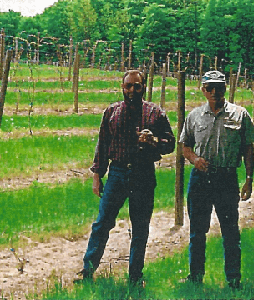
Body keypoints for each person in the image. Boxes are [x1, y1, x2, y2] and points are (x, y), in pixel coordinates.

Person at [77, 70, 175, 286]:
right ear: (122, 88)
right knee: (102, 223)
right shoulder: (111, 112)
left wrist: (154, 140)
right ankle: (88, 271)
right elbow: (102, 146)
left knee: (140, 227)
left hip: (143, 174)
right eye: (128, 86)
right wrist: (97, 176)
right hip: (117, 173)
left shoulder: (155, 113)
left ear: (144, 87)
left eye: (137, 86)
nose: (132, 90)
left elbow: (170, 143)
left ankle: (135, 277)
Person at [179, 70, 254, 288]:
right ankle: (195, 277)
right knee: (197, 231)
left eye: (219, 87)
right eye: (210, 87)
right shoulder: (194, 116)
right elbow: (185, 146)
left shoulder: (240, 114)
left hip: (226, 179)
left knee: (230, 230)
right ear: (203, 90)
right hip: (200, 179)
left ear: (226, 88)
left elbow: (248, 149)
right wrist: (195, 159)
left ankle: (234, 279)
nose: (214, 92)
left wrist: (249, 178)